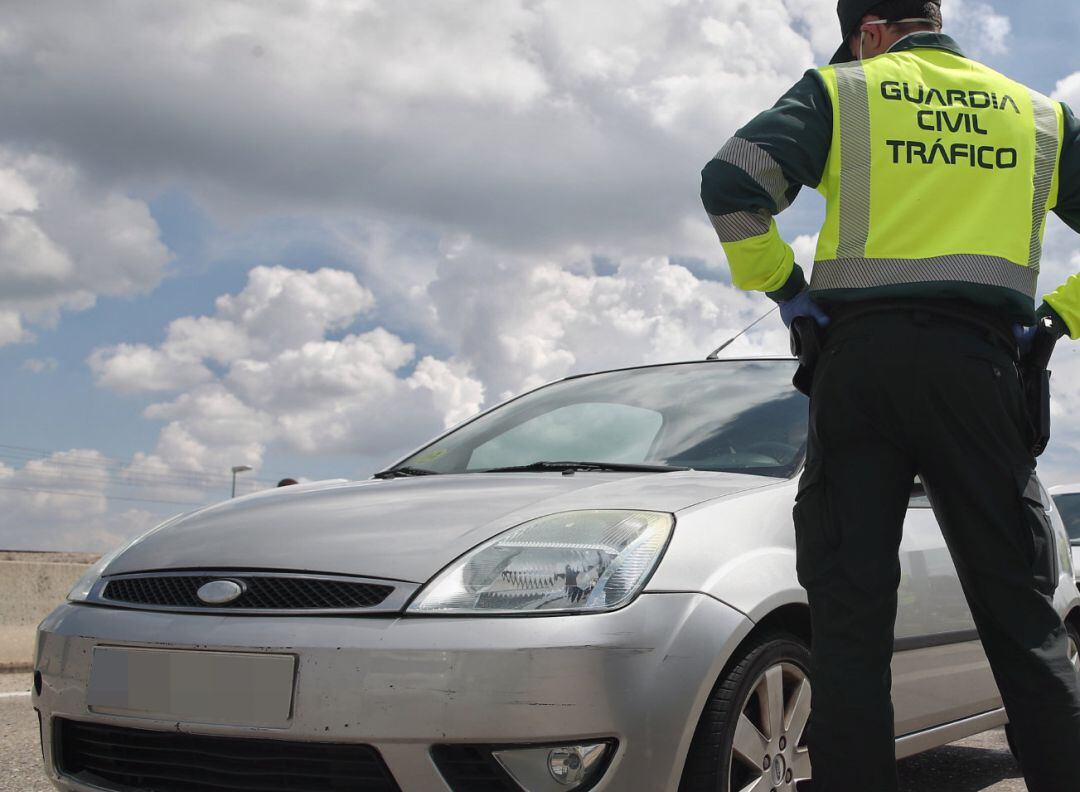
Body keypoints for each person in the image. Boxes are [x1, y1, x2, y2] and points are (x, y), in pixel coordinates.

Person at [700, 1, 1080, 790]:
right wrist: (1054, 321)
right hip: (980, 372)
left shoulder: (844, 89)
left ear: (869, 32)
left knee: (849, 625)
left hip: (860, 370)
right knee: (1023, 619)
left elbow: (731, 181)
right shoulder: (1040, 115)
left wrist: (786, 290)